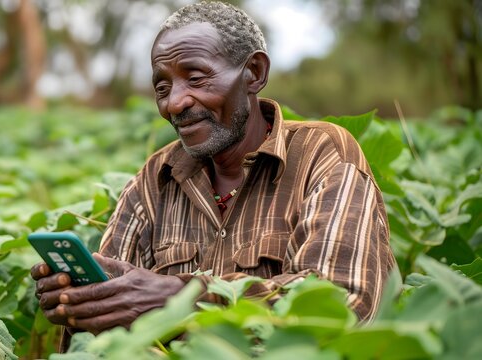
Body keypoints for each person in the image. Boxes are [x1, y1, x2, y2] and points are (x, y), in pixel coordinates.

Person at [32, 0, 397, 351]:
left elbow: (341, 303)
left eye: (196, 78)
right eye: (162, 88)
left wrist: (182, 297)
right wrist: (82, 302)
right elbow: (106, 328)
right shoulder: (155, 179)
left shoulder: (323, 152)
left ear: (254, 73)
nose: (175, 103)